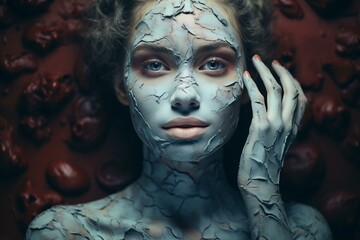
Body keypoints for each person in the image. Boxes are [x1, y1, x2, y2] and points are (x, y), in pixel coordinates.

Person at [26, 0, 332, 239]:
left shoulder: (303, 230)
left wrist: (262, 191)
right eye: (155, 64)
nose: (185, 96)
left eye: (214, 63)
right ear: (121, 85)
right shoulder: (66, 233)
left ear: (245, 83)